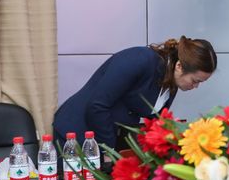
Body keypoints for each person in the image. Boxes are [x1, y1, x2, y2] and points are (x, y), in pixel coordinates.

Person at [53, 36, 217, 152]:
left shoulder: (171, 82)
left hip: (104, 142)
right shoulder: (140, 59)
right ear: (179, 66)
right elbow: (97, 105)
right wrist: (109, 150)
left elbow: (154, 123)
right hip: (75, 135)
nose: (196, 87)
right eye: (195, 80)